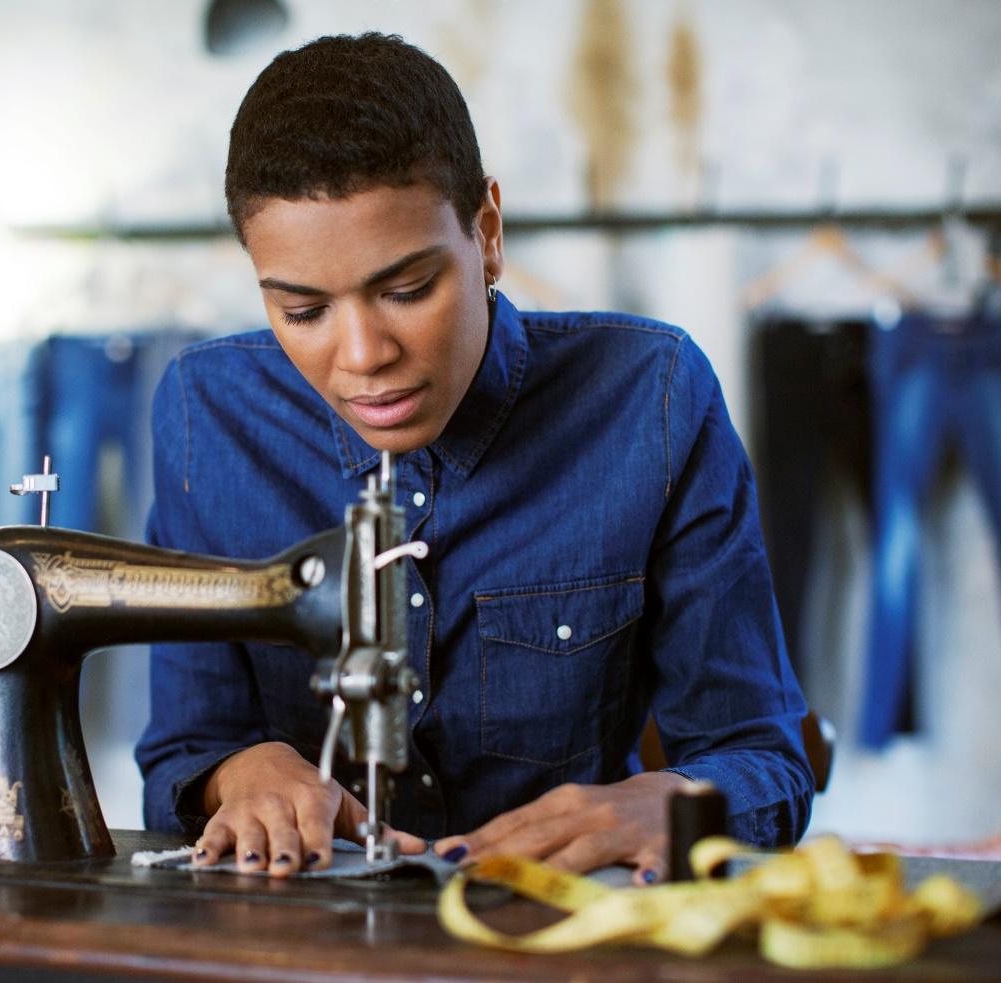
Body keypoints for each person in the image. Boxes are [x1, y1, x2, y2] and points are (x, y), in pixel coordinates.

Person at [135, 32, 813, 884]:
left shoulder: (653, 398)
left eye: (407, 290)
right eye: (303, 310)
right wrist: (240, 771)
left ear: (487, 233)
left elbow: (764, 759)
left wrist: (673, 799)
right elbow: (184, 748)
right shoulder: (210, 412)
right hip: (305, 948)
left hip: (556, 942)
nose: (362, 354)